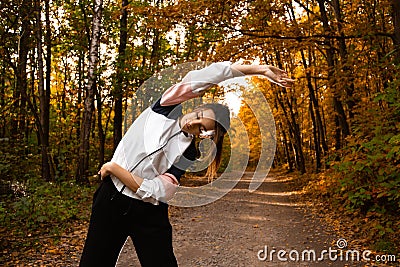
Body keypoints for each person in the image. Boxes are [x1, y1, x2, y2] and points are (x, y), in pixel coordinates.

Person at [79, 61, 294, 267]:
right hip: (110, 199)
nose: (193, 123)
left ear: (206, 136)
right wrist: (259, 70)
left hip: (148, 213)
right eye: (198, 115)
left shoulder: (189, 153)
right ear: (196, 105)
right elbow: (210, 75)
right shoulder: (165, 107)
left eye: (201, 128)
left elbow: (157, 191)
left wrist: (114, 168)